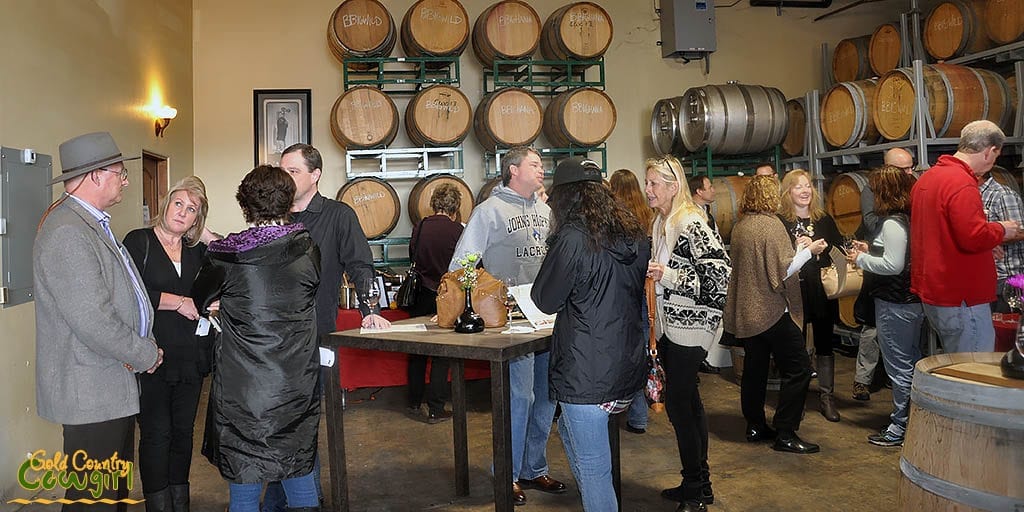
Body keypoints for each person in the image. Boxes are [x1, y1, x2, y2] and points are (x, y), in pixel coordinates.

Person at [34, 131, 163, 511]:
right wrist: (145, 353)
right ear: (95, 176)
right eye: (120, 173)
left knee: (112, 496)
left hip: (108, 385)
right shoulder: (68, 232)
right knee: (93, 500)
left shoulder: (88, 223)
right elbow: (94, 321)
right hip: (90, 390)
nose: (125, 181)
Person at [261, 143, 390, 511]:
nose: (285, 178)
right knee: (281, 424)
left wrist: (370, 308)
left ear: (315, 175)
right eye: (282, 170)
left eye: (294, 171)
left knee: (302, 423)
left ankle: (300, 498)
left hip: (315, 337)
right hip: (272, 341)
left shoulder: (337, 215)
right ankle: (300, 497)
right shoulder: (274, 217)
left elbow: (360, 265)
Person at [193, 165, 321, 512]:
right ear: (289, 202)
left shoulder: (226, 256)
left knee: (245, 474)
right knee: (299, 467)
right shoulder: (309, 248)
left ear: (245, 205)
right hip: (296, 380)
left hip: (245, 385)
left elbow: (200, 299)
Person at [448, 146, 566, 506]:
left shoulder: (546, 210)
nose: (542, 169)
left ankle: (533, 467)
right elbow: (462, 263)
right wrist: (485, 297)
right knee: (520, 397)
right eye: (535, 164)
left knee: (546, 396)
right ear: (513, 169)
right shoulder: (489, 211)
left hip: (548, 318)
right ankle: (508, 473)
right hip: (512, 321)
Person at [531, 157, 649, 511]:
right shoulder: (635, 233)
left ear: (565, 198)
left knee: (597, 472)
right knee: (571, 433)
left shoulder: (572, 239)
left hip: (587, 373)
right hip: (626, 366)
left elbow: (545, 300)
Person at [645, 157, 731, 512]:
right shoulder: (660, 222)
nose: (647, 189)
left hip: (691, 329)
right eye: (647, 182)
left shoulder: (691, 222)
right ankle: (698, 482)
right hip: (670, 327)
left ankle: (695, 488)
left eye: (653, 183)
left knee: (681, 407)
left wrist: (668, 276)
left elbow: (719, 278)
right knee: (689, 405)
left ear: (673, 186)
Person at [123, 177, 212, 512]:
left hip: (191, 356)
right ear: (166, 203)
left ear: (196, 220)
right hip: (152, 356)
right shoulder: (139, 241)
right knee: (156, 434)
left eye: (192, 210)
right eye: (179, 203)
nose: (182, 212)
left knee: (183, 433)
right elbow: (127, 294)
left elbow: (223, 266)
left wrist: (210, 302)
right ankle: (158, 503)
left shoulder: (197, 250)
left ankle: (180, 499)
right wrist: (177, 301)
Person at [723, 175, 827, 455]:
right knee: (799, 369)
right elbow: (784, 270)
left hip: (749, 311)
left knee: (754, 371)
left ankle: (755, 425)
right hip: (771, 311)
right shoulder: (772, 226)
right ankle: (785, 431)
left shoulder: (741, 226)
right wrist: (809, 251)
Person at [910, 120, 1019, 353]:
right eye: (995, 157)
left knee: (955, 365)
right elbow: (972, 236)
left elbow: (941, 233)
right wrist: (1001, 229)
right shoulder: (962, 183)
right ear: (990, 151)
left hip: (935, 292)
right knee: (973, 373)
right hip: (961, 296)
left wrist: (986, 246)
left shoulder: (928, 178)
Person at [846, 166, 924, 447]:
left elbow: (893, 265)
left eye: (875, 190)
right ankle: (913, 422)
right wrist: (871, 250)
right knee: (911, 361)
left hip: (895, 302)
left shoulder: (892, 222)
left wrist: (860, 259)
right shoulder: (906, 218)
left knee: (899, 367)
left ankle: (900, 427)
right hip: (907, 302)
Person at [777, 169, 844, 422]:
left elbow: (837, 249)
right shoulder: (781, 222)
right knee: (796, 343)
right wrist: (800, 249)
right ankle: (797, 398)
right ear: (788, 192)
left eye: (808, 186)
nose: (805, 191)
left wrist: (823, 251)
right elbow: (779, 259)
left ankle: (827, 398)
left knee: (825, 341)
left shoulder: (823, 219)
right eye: (798, 187)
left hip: (821, 288)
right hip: (794, 289)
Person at [405, 184, 465, 423]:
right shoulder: (458, 231)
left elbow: (412, 255)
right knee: (441, 353)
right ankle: (436, 407)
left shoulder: (421, 227)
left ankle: (413, 401)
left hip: (421, 293)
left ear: (434, 204)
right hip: (447, 296)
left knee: (417, 350)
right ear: (455, 207)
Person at [609, 168, 655, 436]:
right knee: (641, 350)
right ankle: (639, 417)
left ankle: (617, 408)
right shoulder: (647, 215)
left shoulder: (613, 218)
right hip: (644, 289)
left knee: (621, 350)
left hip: (622, 293)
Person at [978, 169, 1024, 312]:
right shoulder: (972, 195)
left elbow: (1019, 232)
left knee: (1006, 329)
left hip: (1006, 278)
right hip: (985, 276)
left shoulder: (1002, 195)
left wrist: (987, 239)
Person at [860, 147, 915, 232]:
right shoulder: (872, 188)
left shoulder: (911, 183)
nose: (910, 172)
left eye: (911, 167)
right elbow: (870, 223)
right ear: (889, 169)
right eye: (905, 169)